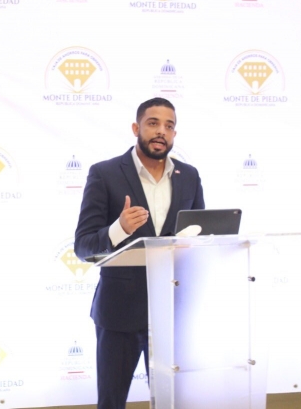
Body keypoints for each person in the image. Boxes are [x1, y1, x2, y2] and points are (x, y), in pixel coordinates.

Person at [74, 97, 204, 409]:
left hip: (172, 312)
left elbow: (201, 235)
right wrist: (118, 229)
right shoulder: (104, 173)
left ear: (174, 134)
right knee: (111, 402)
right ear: (136, 128)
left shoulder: (190, 176)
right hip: (119, 314)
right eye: (153, 123)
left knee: (173, 403)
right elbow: (83, 246)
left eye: (169, 126)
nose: (161, 132)